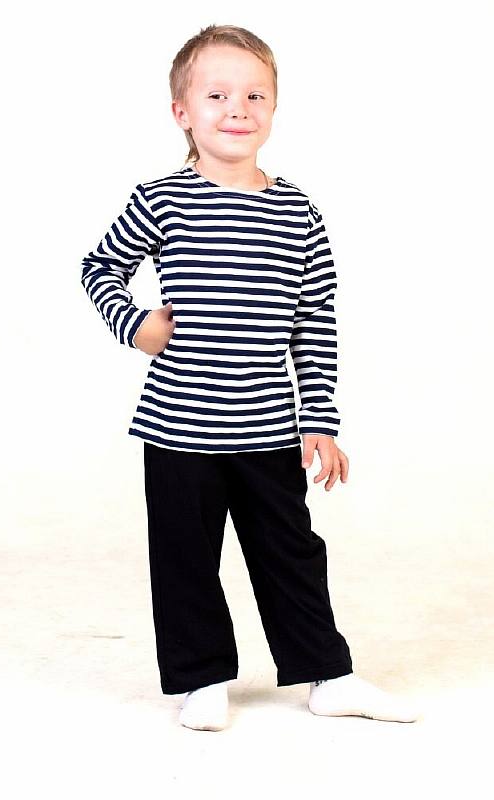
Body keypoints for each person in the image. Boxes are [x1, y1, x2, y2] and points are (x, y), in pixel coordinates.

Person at [79, 24, 422, 731]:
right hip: (178, 427)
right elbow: (98, 267)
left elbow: (314, 320)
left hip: (267, 428)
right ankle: (201, 679)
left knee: (291, 554)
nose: (238, 108)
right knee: (185, 557)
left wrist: (320, 421)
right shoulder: (161, 200)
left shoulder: (298, 211)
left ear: (273, 107)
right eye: (217, 95)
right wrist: (135, 323)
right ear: (183, 111)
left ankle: (328, 674)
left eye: (255, 95)